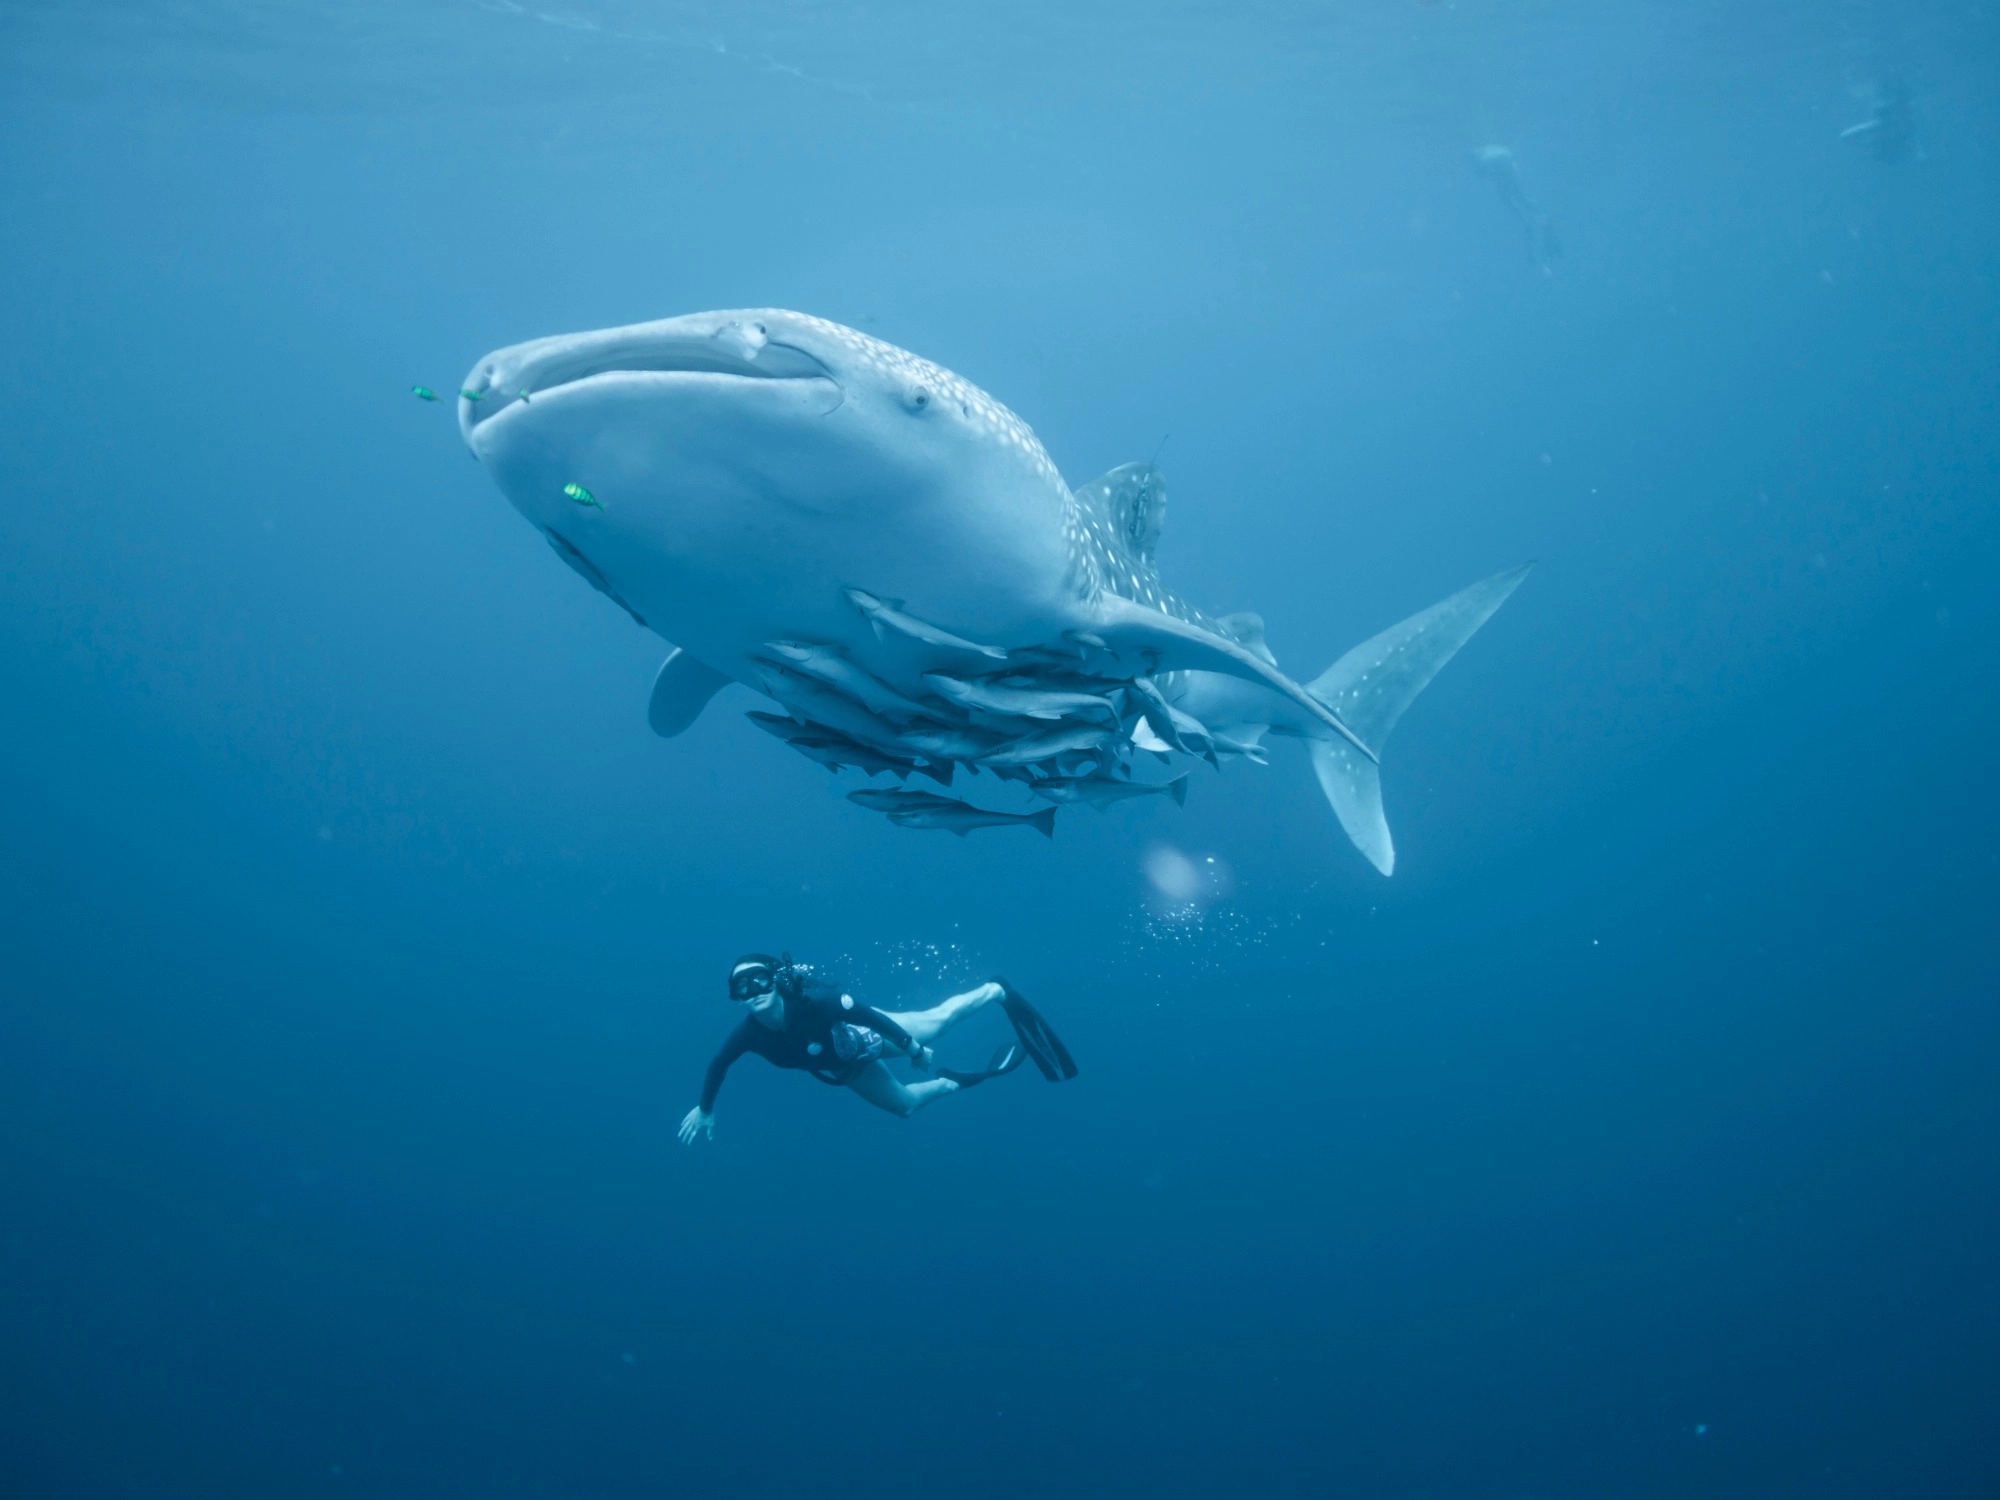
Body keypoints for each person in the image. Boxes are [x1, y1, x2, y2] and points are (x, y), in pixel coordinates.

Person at [678, 954, 1076, 1144]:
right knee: (904, 1106)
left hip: (871, 1034)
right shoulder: (747, 1035)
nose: (754, 993)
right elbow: (718, 1065)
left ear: (775, 982)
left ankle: (994, 991)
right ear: (737, 998)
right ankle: (950, 1083)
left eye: (760, 982)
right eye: (742, 989)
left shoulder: (815, 1004)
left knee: (936, 1024)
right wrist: (705, 1108)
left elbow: (869, 1016)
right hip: (848, 1067)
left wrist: (913, 1048)